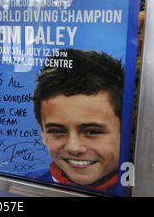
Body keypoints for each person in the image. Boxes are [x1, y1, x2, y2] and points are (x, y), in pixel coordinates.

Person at [29, 49, 124, 192]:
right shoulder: (22, 186)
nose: (74, 147)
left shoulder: (142, 189)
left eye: (92, 132)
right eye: (57, 131)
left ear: (125, 129)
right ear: (42, 133)